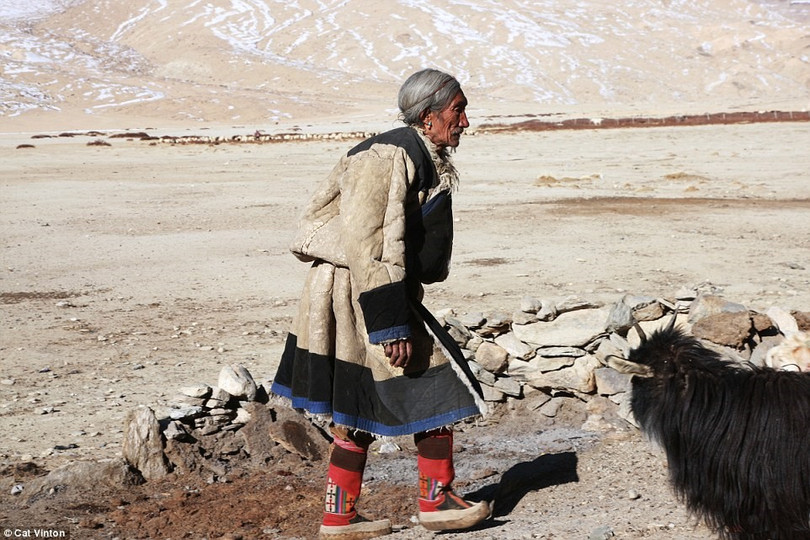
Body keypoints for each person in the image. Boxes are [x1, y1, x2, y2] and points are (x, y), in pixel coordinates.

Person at [270, 68, 490, 539]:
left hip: (365, 287)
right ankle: (436, 502)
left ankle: (340, 516)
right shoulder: (389, 156)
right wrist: (390, 326)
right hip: (359, 291)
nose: (465, 122)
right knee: (433, 384)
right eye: (457, 110)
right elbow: (370, 242)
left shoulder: (413, 153)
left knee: (359, 397)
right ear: (428, 116)